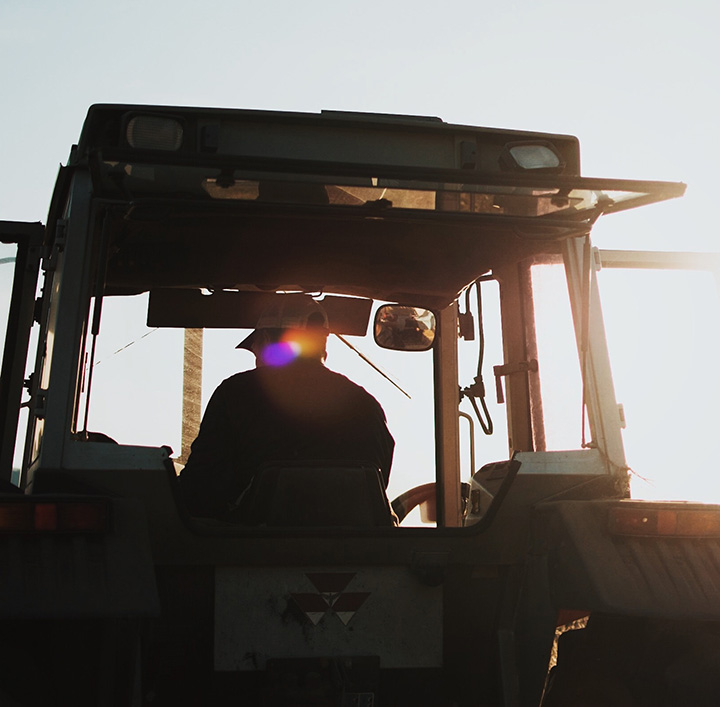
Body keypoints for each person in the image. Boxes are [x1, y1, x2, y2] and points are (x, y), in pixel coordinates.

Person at [178, 296, 395, 522]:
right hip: (353, 551)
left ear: (264, 339)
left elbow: (200, 489)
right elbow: (376, 486)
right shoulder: (364, 404)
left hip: (249, 551)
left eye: (255, 349)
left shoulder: (234, 394)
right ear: (323, 344)